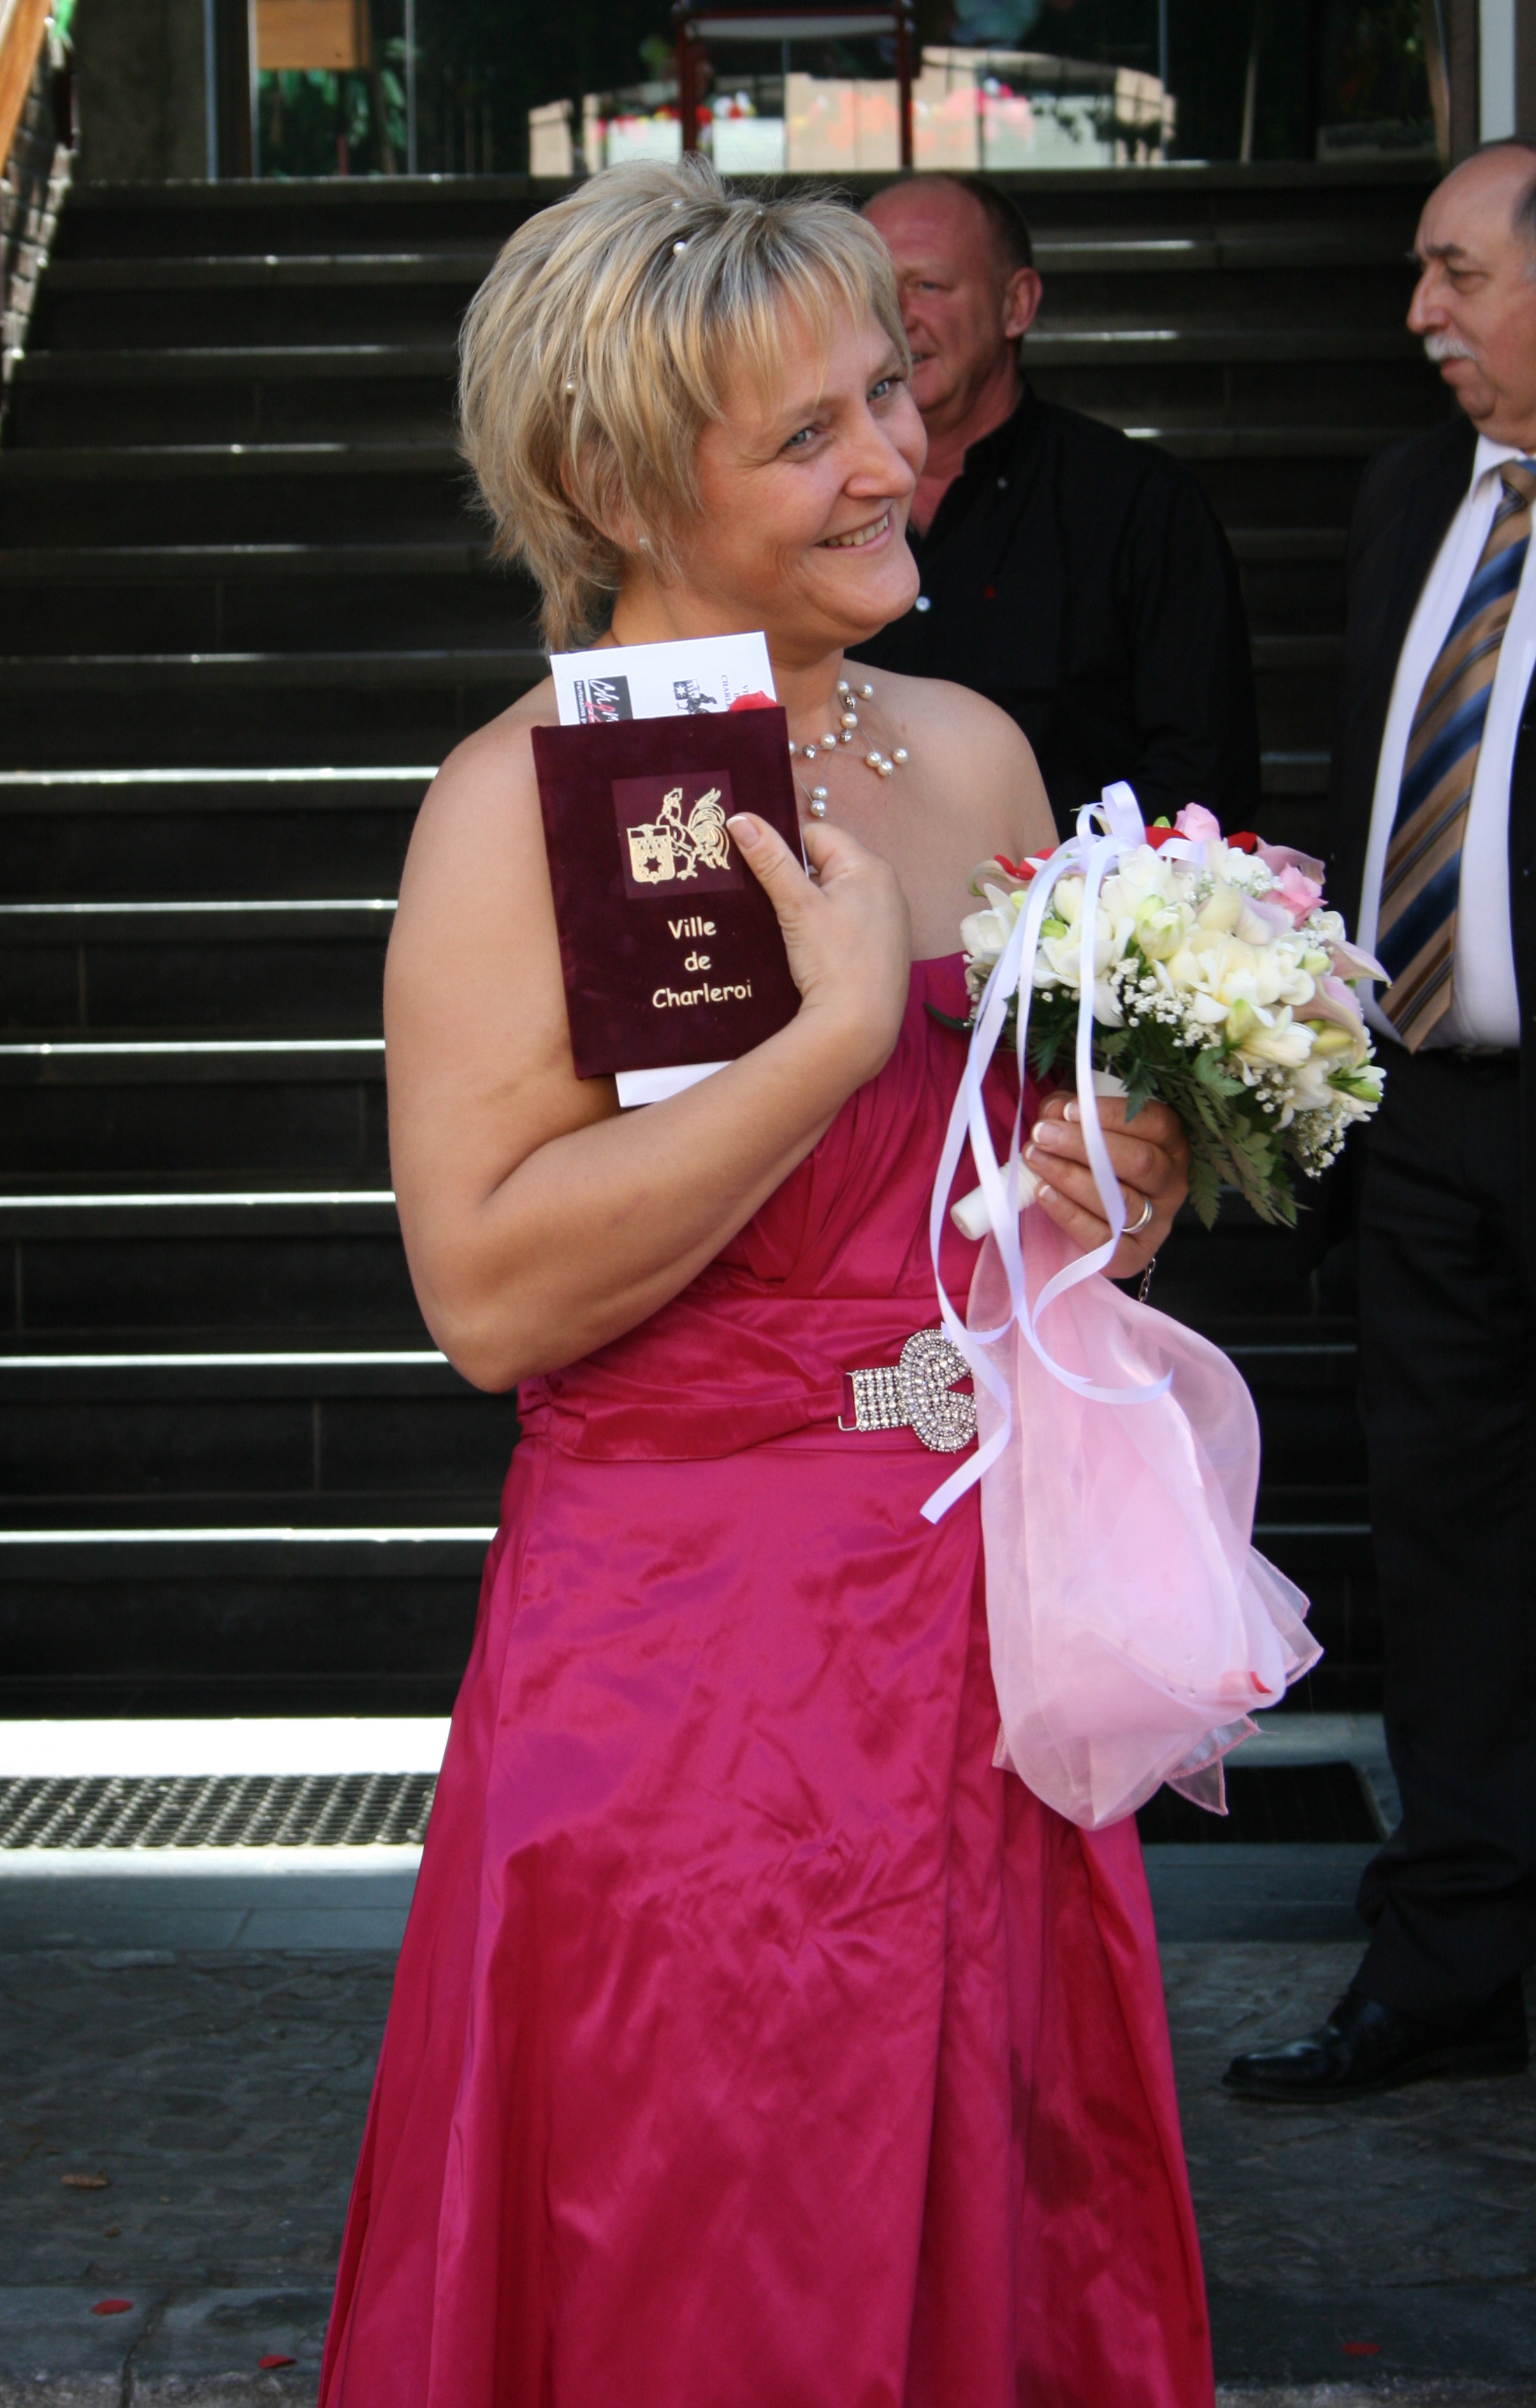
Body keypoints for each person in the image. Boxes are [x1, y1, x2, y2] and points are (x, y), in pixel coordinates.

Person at [319, 157, 1211, 2407]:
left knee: (995, 2237)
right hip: (691, 1672)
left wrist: (1115, 1183)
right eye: (808, 435)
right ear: (625, 487)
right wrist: (824, 1045)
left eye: (887, 396)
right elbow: (493, 1300)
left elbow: (1002, 1202)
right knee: (717, 2266)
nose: (896, 459)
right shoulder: (536, 800)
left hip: (977, 1634)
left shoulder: (973, 747)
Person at [1226, 137, 1536, 2102]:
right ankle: (1450, 1962)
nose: (1418, 313)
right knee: (1446, 1556)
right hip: (1423, 1125)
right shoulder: (1413, 491)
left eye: (1456, 273)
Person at [848, 172, 1261, 834]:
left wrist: (1049, 880)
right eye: (872, 289)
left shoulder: (1138, 502)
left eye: (926, 285)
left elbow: (1203, 775)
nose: (894, 317)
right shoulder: (817, 505)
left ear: (1017, 304)